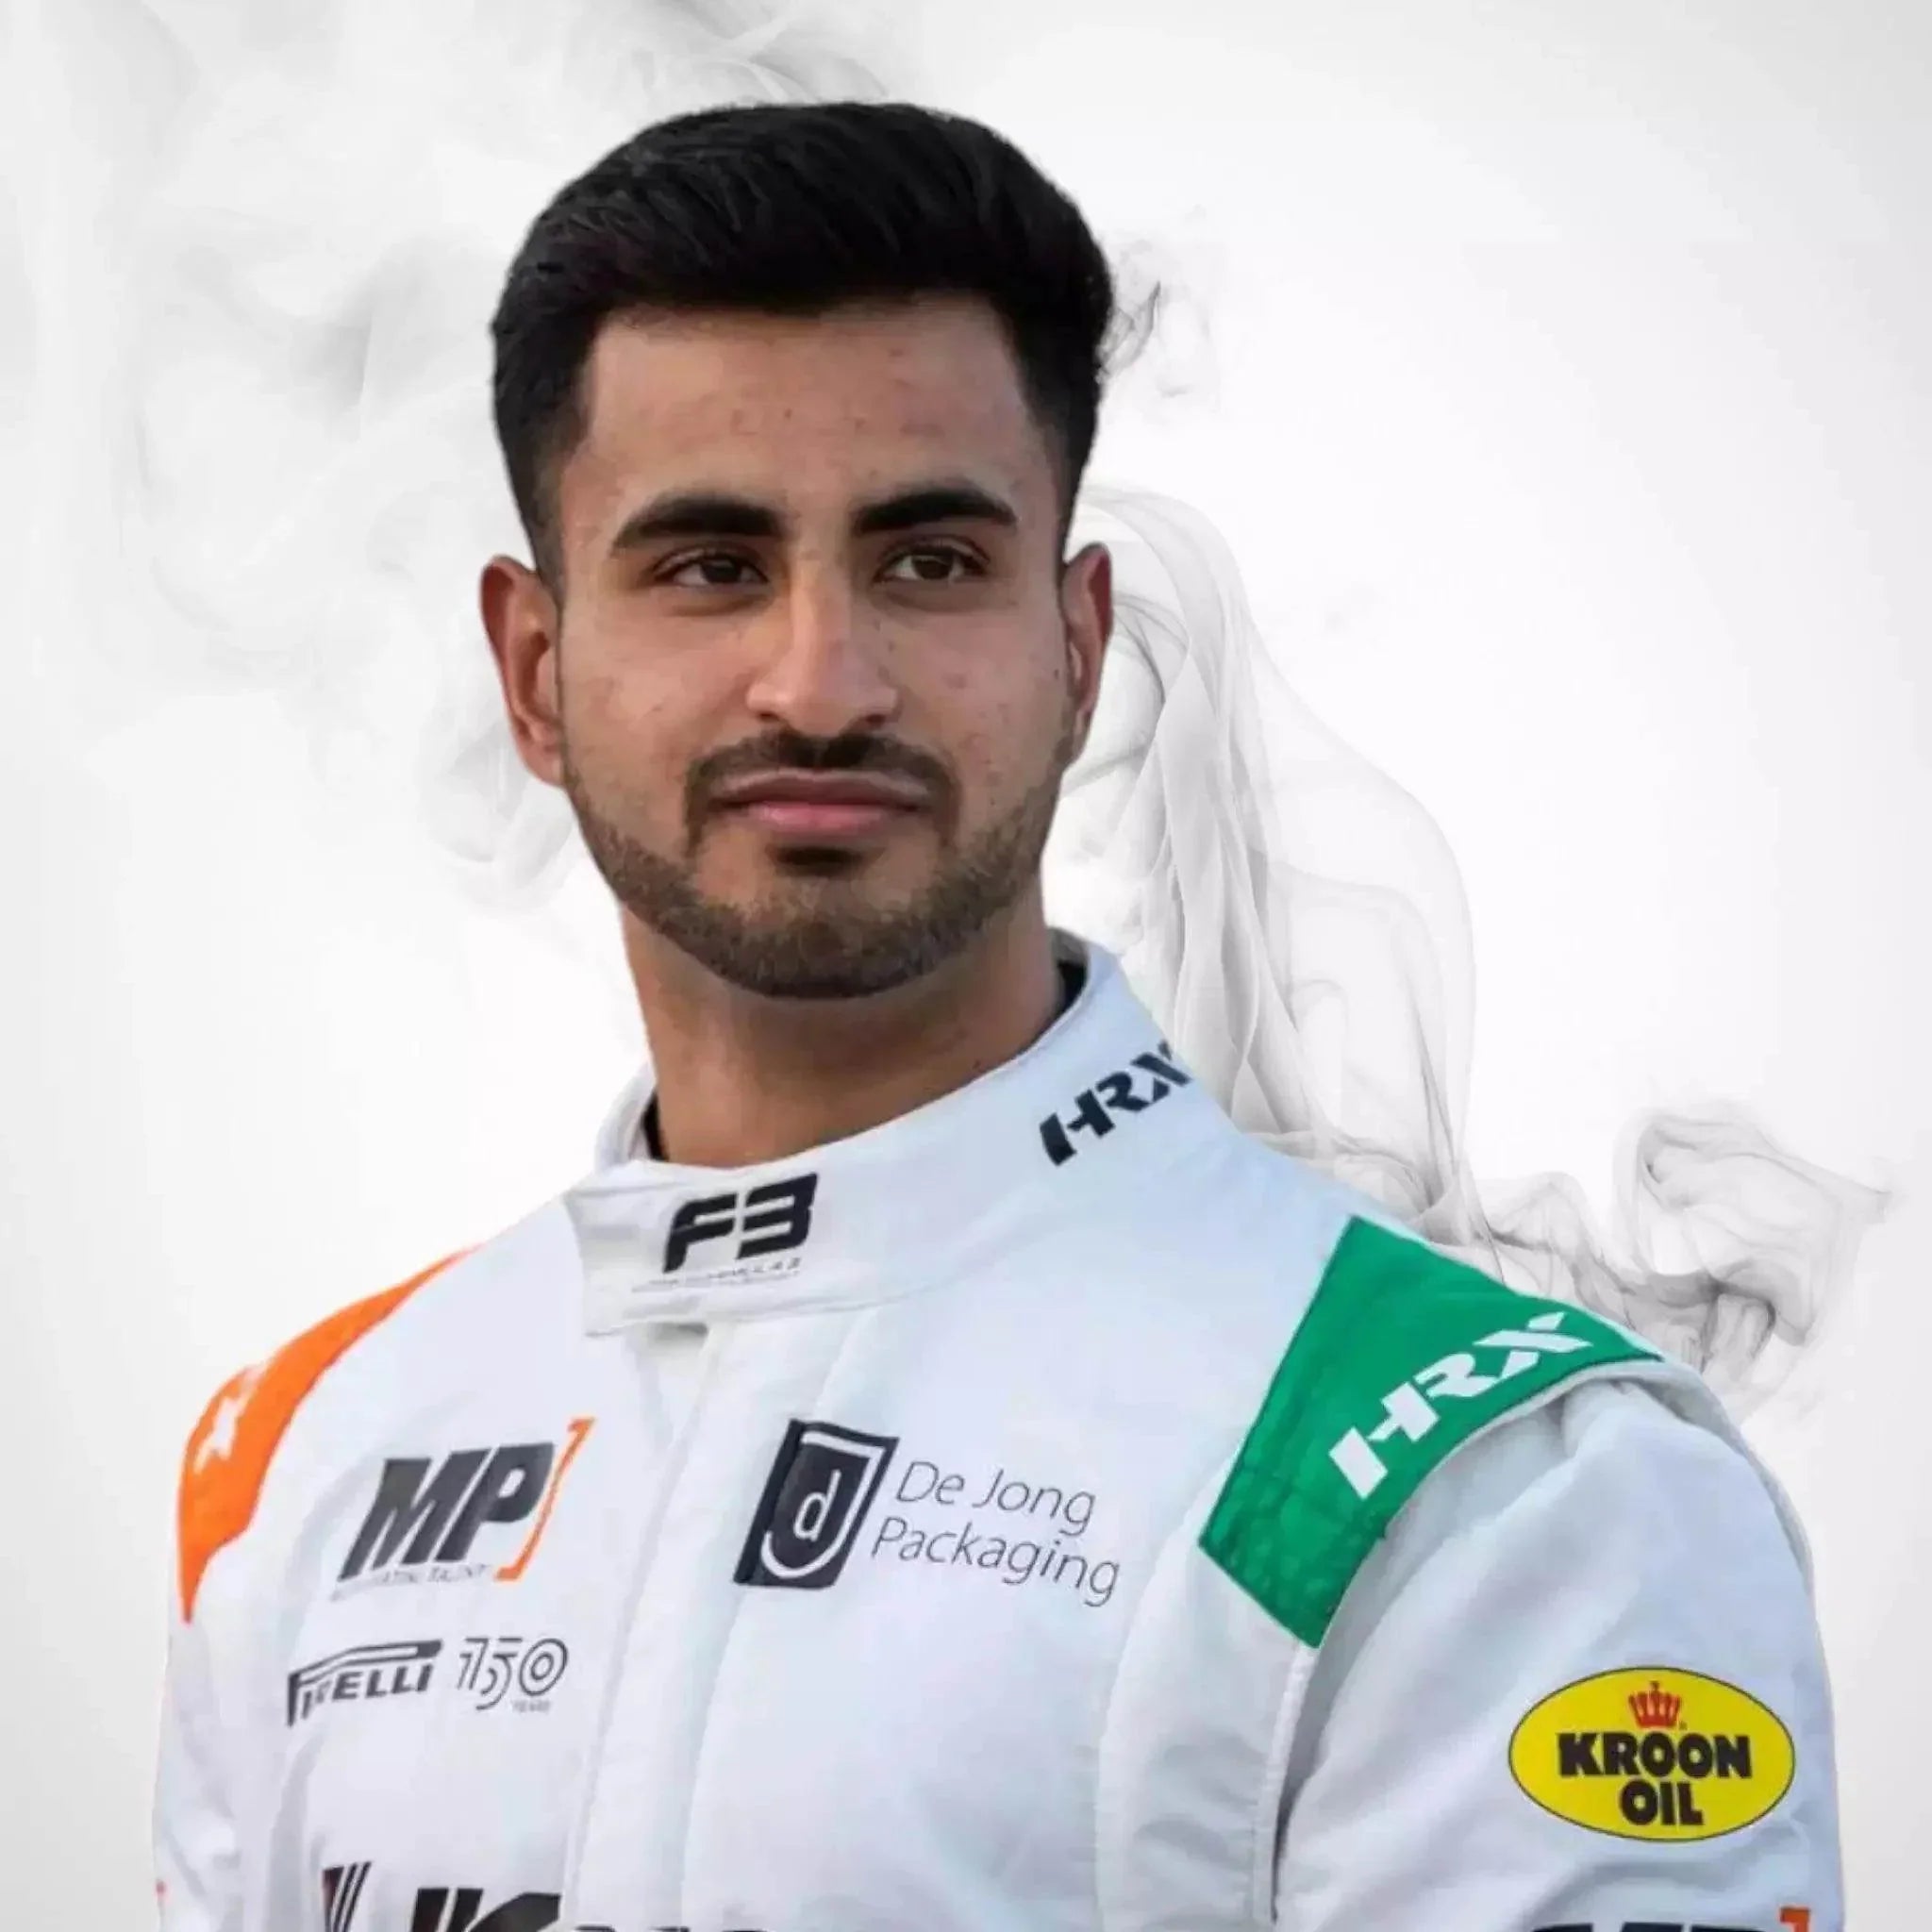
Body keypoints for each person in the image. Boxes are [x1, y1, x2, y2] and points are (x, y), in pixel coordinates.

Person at [155, 101, 1840, 1932]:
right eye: (711, 566)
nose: (820, 684)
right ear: (535, 672)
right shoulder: (306, 1451)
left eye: (930, 562)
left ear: (1080, 645)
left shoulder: (1493, 1484)